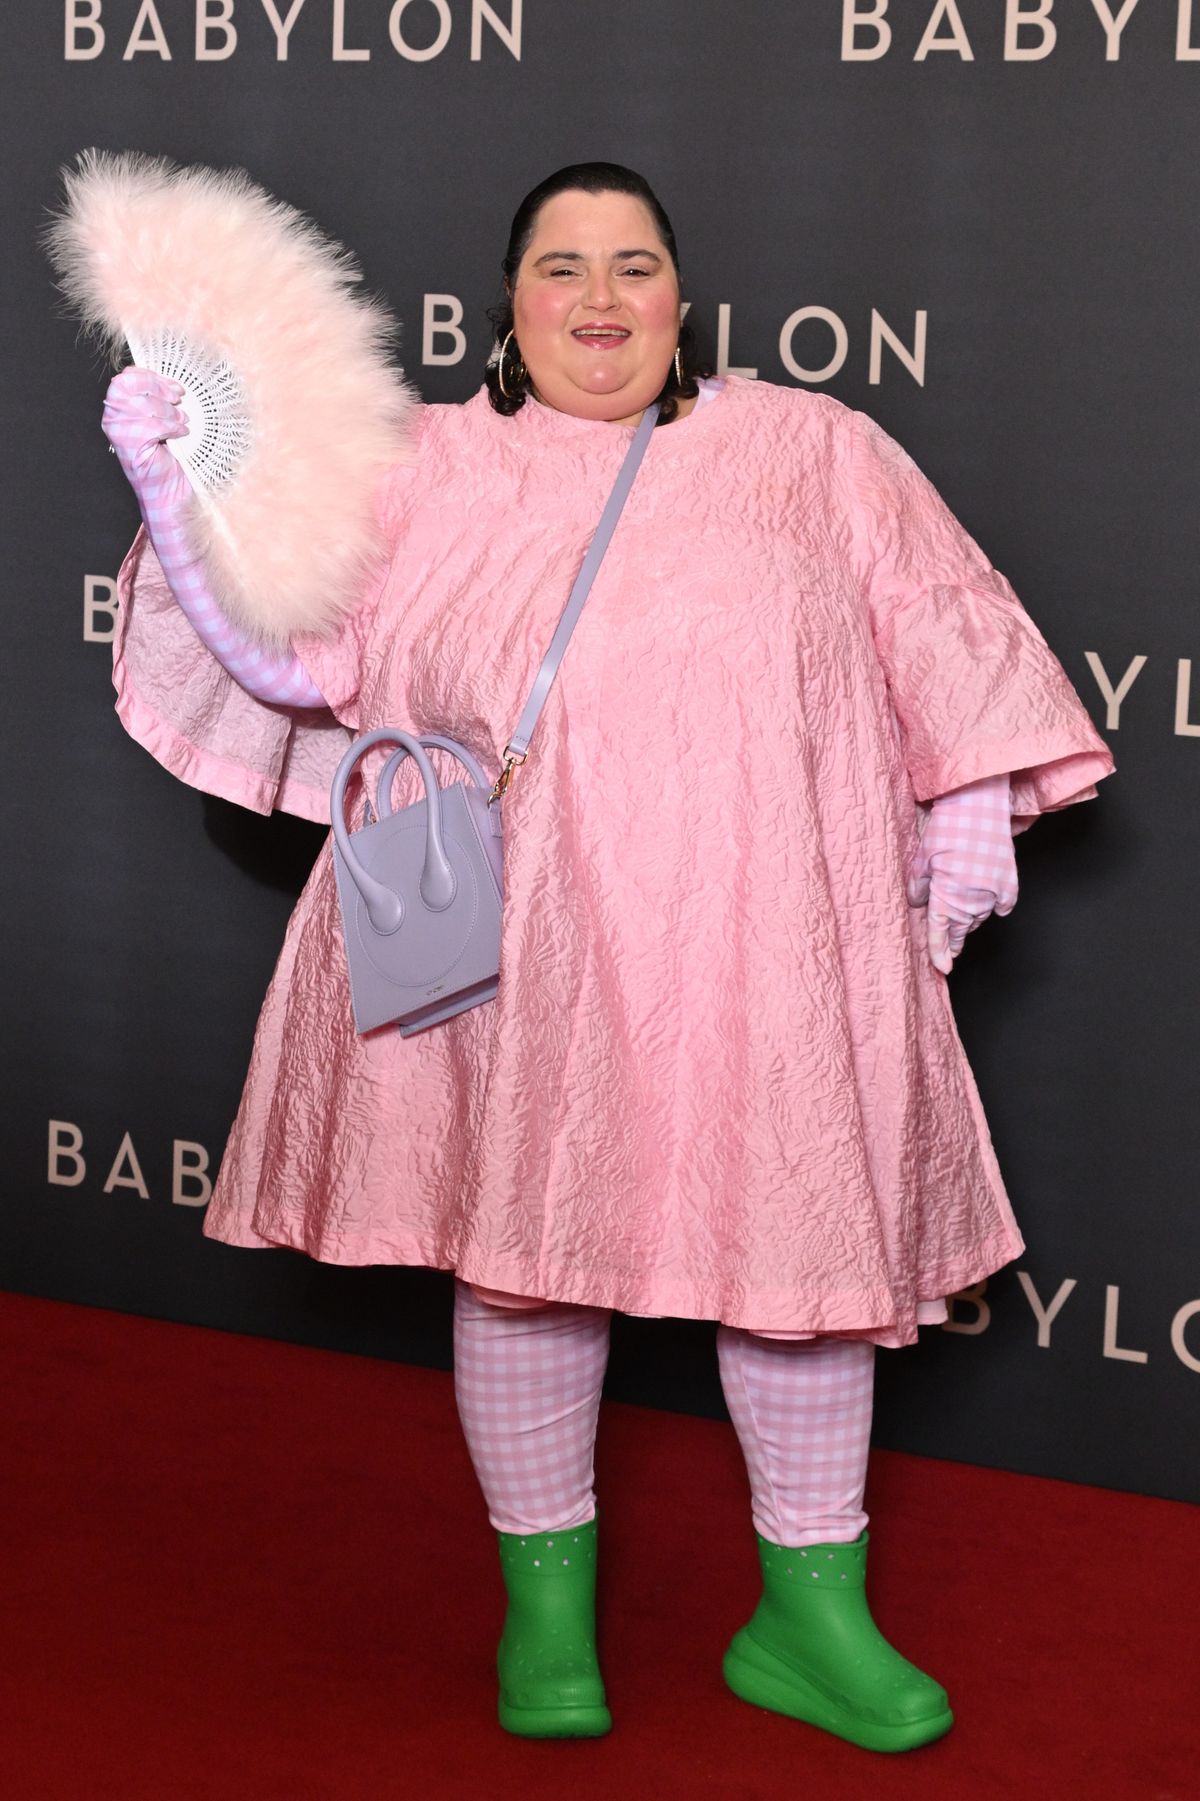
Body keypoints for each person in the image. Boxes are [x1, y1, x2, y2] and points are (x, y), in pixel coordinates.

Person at [100, 162, 1113, 1751]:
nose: (600, 299)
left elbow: (936, 612)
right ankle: (548, 1610)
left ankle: (809, 1612)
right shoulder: (421, 459)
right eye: (563, 266)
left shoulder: (808, 446)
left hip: (761, 931)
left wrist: (974, 792)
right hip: (514, 932)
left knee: (799, 1278)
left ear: (679, 294)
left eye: (634, 265)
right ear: (510, 299)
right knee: (523, 1253)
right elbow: (299, 660)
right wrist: (173, 496)